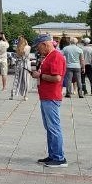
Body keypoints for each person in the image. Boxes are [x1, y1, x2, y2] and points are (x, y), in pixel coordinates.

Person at [30, 35, 68, 168]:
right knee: (50, 127)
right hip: (46, 95)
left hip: (51, 96)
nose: (38, 50)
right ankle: (53, 155)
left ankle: (58, 157)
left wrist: (40, 75)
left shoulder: (56, 56)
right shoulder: (49, 56)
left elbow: (57, 78)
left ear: (45, 44)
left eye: (38, 47)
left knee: (53, 127)